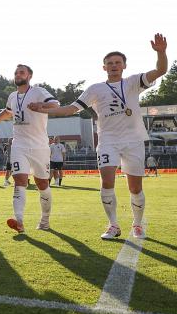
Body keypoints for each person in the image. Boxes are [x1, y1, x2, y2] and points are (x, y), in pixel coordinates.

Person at [29, 33, 168, 240]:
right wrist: (43, 109)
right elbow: (70, 109)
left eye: (117, 62)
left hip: (133, 140)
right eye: (109, 63)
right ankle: (113, 225)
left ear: (124, 66)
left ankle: (137, 225)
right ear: (104, 67)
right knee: (106, 181)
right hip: (108, 140)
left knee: (135, 186)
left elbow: (160, 70)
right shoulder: (95, 89)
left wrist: (161, 52)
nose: (113, 65)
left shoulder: (132, 82)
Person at [0, 64, 59, 233]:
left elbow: (55, 104)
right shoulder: (12, 96)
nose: (18, 75)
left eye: (21, 72)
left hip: (39, 146)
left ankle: (45, 220)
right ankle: (19, 220)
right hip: (19, 145)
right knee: (20, 181)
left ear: (29, 76)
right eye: (16, 72)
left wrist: (40, 105)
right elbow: (8, 112)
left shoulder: (38, 91)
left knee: (42, 184)